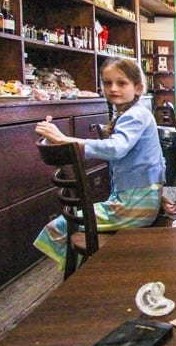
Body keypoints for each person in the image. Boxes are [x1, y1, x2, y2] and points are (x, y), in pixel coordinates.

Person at [33, 58, 165, 268]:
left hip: (134, 205)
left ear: (138, 88)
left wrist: (65, 140)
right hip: (138, 200)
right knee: (68, 222)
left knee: (58, 227)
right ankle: (88, 273)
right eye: (107, 83)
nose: (113, 88)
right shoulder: (134, 113)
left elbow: (116, 147)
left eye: (121, 83)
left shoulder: (135, 115)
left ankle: (83, 276)